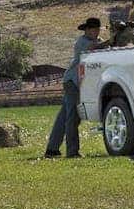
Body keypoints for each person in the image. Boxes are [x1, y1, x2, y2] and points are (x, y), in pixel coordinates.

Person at [45, 17, 110, 158]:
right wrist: (112, 40)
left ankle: (52, 149)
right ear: (86, 30)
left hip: (77, 83)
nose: (95, 32)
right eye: (93, 29)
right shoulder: (82, 42)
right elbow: (93, 49)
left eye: (97, 29)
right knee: (73, 117)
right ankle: (72, 151)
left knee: (64, 118)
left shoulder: (98, 41)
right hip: (73, 83)